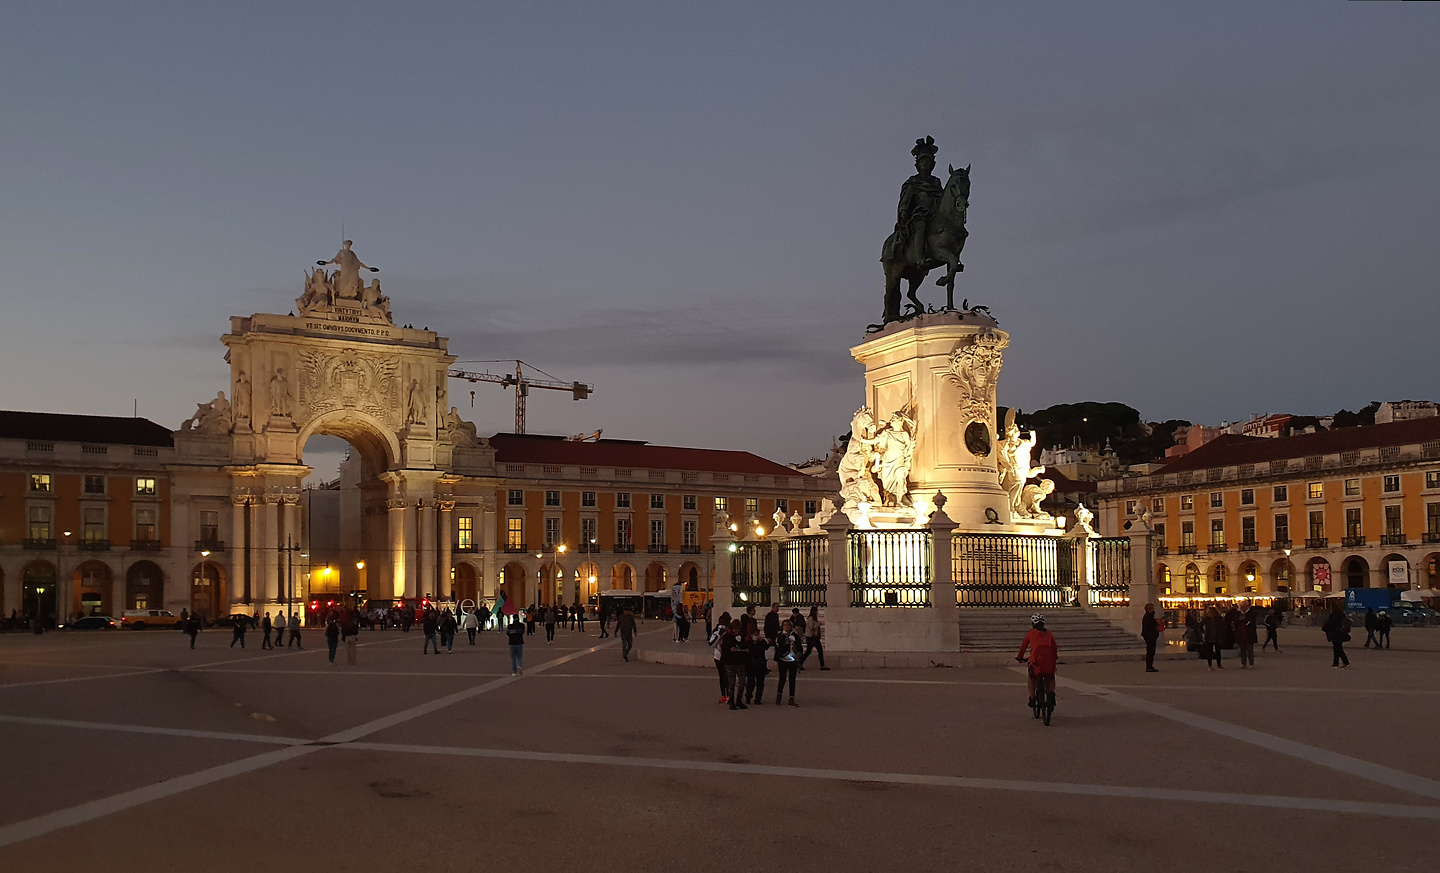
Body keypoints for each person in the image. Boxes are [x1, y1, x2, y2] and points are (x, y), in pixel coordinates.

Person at [1016, 614, 1058, 711]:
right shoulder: (1049, 634)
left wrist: (1020, 657)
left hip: (1035, 661)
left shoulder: (1031, 634)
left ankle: (1032, 697)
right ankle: (1051, 694)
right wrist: (1054, 657)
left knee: (1031, 677)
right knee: (1050, 677)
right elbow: (1054, 647)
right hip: (1048, 660)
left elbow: (1023, 647)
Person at [721, 620, 749, 710]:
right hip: (730, 662)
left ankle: (739, 700)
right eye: (735, 629)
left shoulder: (742, 636)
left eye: (738, 629)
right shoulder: (726, 637)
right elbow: (726, 648)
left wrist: (740, 648)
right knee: (731, 683)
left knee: (742, 682)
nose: (737, 631)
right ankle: (731, 701)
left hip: (740, 661)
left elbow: (745, 645)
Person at [774, 619, 802, 707]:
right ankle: (779, 695)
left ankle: (791, 698)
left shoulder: (794, 635)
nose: (786, 627)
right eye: (784, 625)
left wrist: (798, 655)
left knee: (792, 679)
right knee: (782, 678)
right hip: (783, 659)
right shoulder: (780, 636)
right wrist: (785, 639)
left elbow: (800, 647)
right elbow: (779, 647)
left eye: (788, 625)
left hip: (792, 659)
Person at [709, 611, 732, 703]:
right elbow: (711, 643)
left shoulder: (729, 631)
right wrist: (719, 635)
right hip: (719, 656)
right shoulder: (717, 631)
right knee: (723, 676)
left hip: (724, 655)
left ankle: (727, 694)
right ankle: (725, 695)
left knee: (726, 676)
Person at [744, 627, 770, 705]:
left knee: (760, 683)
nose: (756, 636)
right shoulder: (748, 643)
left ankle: (758, 699)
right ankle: (748, 696)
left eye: (757, 634)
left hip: (760, 665)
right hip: (751, 665)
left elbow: (764, 647)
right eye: (754, 634)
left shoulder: (762, 642)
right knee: (750, 683)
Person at [1323, 602, 1351, 668]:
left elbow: (1330, 623)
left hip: (1336, 634)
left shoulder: (1334, 615)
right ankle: (1336, 663)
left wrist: (1324, 628)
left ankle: (1345, 662)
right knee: (1337, 648)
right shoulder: (1341, 614)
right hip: (1341, 633)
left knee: (1338, 649)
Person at [799, 605, 828, 671]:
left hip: (814, 637)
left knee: (810, 651)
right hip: (812, 637)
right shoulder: (810, 618)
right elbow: (811, 627)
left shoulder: (814, 618)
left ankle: (800, 663)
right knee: (817, 650)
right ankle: (822, 665)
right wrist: (818, 624)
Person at [1140, 603, 1161, 673]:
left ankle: (1149, 666)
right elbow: (1152, 625)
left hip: (1148, 635)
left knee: (1150, 651)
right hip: (1150, 635)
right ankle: (1149, 666)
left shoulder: (1147, 616)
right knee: (1151, 651)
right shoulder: (1149, 616)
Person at [1201, 606, 1223, 670]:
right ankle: (1210, 665)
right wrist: (1204, 632)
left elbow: (1223, 626)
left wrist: (1220, 631)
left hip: (1217, 636)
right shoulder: (1206, 619)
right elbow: (1200, 625)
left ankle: (1219, 665)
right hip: (1209, 637)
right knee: (1209, 652)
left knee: (1218, 651)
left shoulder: (1218, 618)